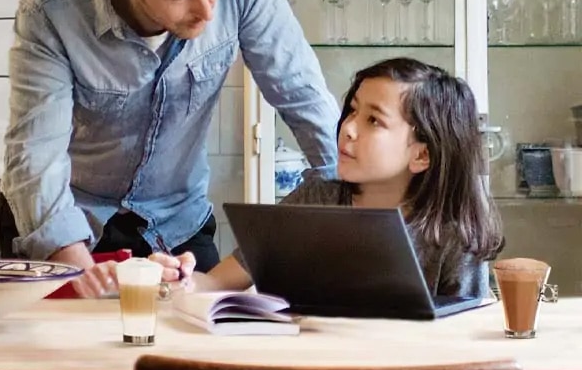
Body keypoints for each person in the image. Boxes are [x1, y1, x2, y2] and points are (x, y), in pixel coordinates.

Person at [0, 0, 340, 298]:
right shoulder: (51, 10)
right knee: (71, 351)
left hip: (177, 223)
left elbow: (304, 95)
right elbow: (35, 157)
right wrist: (76, 271)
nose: (206, 9)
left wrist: (345, 191)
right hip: (68, 222)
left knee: (200, 351)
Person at [147, 57, 505, 298]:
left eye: (373, 120)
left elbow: (465, 342)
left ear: (422, 154)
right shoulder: (315, 197)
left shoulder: (454, 234)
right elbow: (217, 281)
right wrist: (179, 278)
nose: (347, 128)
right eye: (352, 110)